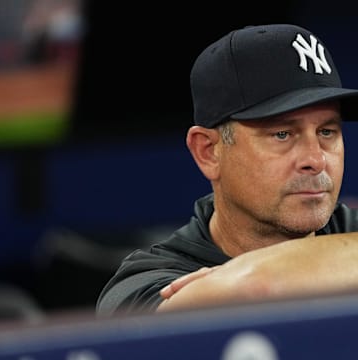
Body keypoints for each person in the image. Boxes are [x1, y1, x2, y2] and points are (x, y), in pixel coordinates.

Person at [96, 23, 358, 315]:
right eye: (282, 134)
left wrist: (234, 285)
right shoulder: (144, 283)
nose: (316, 159)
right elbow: (258, 289)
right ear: (208, 152)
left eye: (327, 132)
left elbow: (256, 287)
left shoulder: (350, 228)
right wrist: (254, 284)